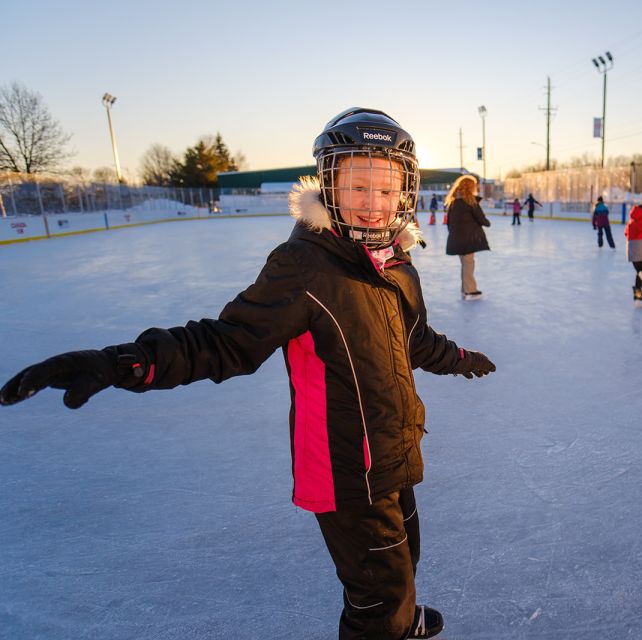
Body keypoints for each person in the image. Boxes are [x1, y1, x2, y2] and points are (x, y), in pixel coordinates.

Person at [0, 107, 497, 640]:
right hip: (346, 468)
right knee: (378, 595)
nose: (371, 205)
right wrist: (122, 362)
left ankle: (404, 614)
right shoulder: (304, 265)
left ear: (404, 191)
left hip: (397, 447)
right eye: (357, 186)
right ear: (329, 184)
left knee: (405, 558)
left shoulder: (397, 263)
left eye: (384, 189)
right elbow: (226, 343)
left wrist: (460, 359)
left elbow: (413, 338)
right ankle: (390, 621)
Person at [444, 174, 490, 300]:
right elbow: (481, 219)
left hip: (457, 239)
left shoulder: (453, 202)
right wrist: (487, 222)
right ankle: (470, 291)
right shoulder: (471, 201)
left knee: (465, 264)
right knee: (469, 264)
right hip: (468, 239)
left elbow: (448, 223)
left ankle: (465, 290)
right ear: (471, 187)